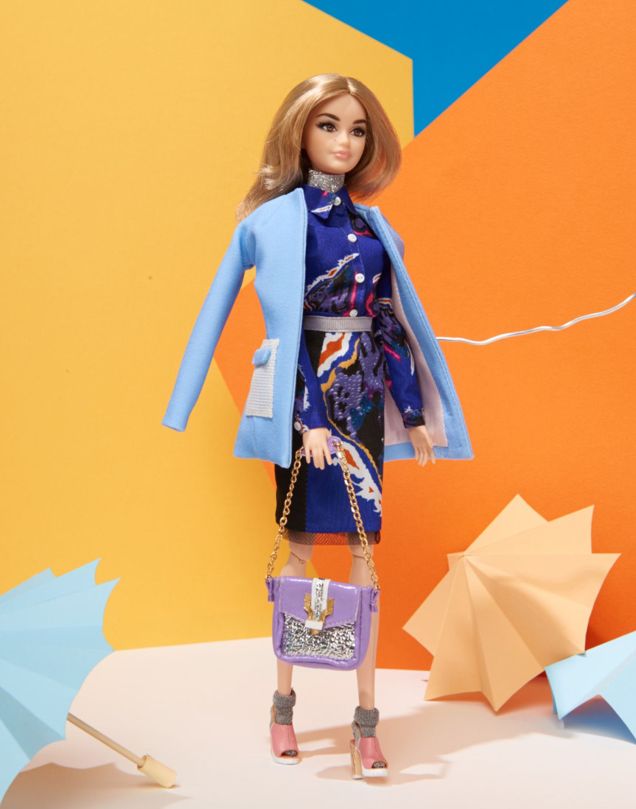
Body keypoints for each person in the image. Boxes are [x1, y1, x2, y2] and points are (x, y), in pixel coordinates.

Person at [162, 73, 473, 779]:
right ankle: (283, 705)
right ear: (299, 130)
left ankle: (366, 720)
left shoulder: (372, 227)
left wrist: (415, 414)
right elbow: (276, 326)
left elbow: (390, 325)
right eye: (328, 125)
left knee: (365, 561)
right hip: (306, 407)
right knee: (297, 555)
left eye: (357, 129)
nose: (344, 141)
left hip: (360, 406)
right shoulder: (272, 221)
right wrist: (306, 419)